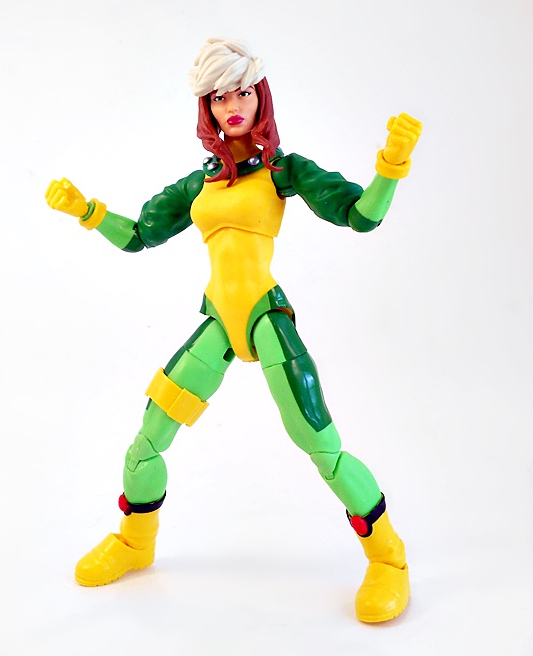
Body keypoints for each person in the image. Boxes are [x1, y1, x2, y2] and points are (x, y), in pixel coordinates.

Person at [45, 38, 422, 623]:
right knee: (148, 439)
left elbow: (361, 215)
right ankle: (135, 541)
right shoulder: (199, 184)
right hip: (218, 322)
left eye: (242, 91)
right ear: (207, 107)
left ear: (259, 96)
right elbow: (138, 235)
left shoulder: (283, 171)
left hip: (266, 318)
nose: (232, 106)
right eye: (219, 97)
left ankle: (389, 560)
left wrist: (390, 167)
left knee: (320, 445)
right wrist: (86, 211)